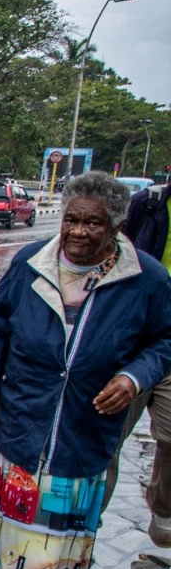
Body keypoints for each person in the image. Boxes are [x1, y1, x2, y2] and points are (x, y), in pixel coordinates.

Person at [0, 171, 171, 569]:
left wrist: (133, 377)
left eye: (93, 223)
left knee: (64, 512)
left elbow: (164, 339)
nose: (78, 232)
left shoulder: (146, 278)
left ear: (115, 226)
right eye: (72, 220)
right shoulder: (31, 262)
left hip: (86, 415)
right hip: (25, 404)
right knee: (13, 505)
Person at [104, 182, 171, 547]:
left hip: (167, 344)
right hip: (134, 341)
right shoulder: (149, 204)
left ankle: (164, 509)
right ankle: (85, 523)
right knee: (105, 436)